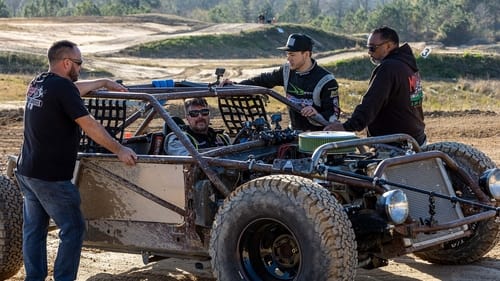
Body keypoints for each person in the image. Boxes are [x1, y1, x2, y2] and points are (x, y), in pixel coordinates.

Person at [15, 40, 137, 281]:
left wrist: (102, 82)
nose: (80, 68)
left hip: (27, 170)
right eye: (79, 64)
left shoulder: (40, 82)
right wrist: (119, 149)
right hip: (50, 177)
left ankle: (34, 278)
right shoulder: (62, 88)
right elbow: (89, 125)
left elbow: (72, 90)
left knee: (34, 230)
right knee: (73, 229)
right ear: (67, 62)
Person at [324, 26, 427, 145]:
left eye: (373, 48)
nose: (369, 52)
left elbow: (372, 102)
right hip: (416, 138)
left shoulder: (388, 68)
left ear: (388, 46)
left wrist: (347, 127)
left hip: (396, 144)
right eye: (368, 48)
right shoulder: (408, 66)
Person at [223, 33, 340, 131]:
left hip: (319, 138)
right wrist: (236, 86)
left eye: (292, 54)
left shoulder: (326, 80)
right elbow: (261, 80)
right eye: (287, 54)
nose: (288, 58)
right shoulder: (286, 71)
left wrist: (316, 114)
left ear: (306, 54)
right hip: (294, 133)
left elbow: (333, 115)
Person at [164, 97, 230, 155]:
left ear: (209, 115)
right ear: (187, 117)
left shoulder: (223, 138)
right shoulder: (177, 139)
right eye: (194, 113)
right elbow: (189, 161)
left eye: (204, 112)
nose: (200, 116)